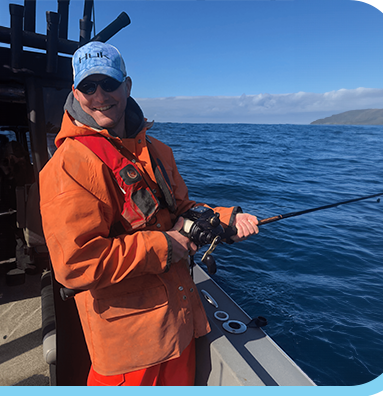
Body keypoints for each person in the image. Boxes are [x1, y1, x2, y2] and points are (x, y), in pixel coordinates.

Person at [39, 41, 259, 386]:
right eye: (88, 86)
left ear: (127, 86)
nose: (100, 96)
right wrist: (166, 246)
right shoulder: (67, 166)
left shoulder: (157, 150)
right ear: (76, 93)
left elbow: (182, 209)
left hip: (182, 327)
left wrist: (223, 218)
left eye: (109, 84)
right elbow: (74, 264)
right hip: (130, 348)